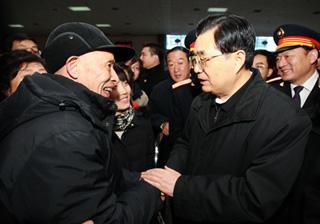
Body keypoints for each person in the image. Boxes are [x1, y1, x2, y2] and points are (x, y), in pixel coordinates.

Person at [142, 14, 312, 224]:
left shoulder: (285, 119)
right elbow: (186, 143)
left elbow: (255, 199)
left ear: (237, 59)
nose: (195, 68)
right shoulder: (201, 102)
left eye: (204, 59)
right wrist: (168, 174)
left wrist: (180, 187)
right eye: (194, 59)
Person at [0, 22, 161, 223]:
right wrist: (151, 190)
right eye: (109, 66)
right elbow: (109, 219)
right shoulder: (70, 133)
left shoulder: (47, 110)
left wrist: (139, 178)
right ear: (74, 67)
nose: (114, 78)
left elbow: (99, 172)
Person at [272, 23, 320, 224]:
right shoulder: (269, 95)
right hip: (275, 200)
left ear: (312, 56)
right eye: (278, 58)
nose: (281, 63)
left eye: (288, 55)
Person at [110, 64, 155, 172]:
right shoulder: (99, 128)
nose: (124, 91)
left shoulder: (143, 123)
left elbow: (150, 168)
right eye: (115, 86)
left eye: (125, 84)